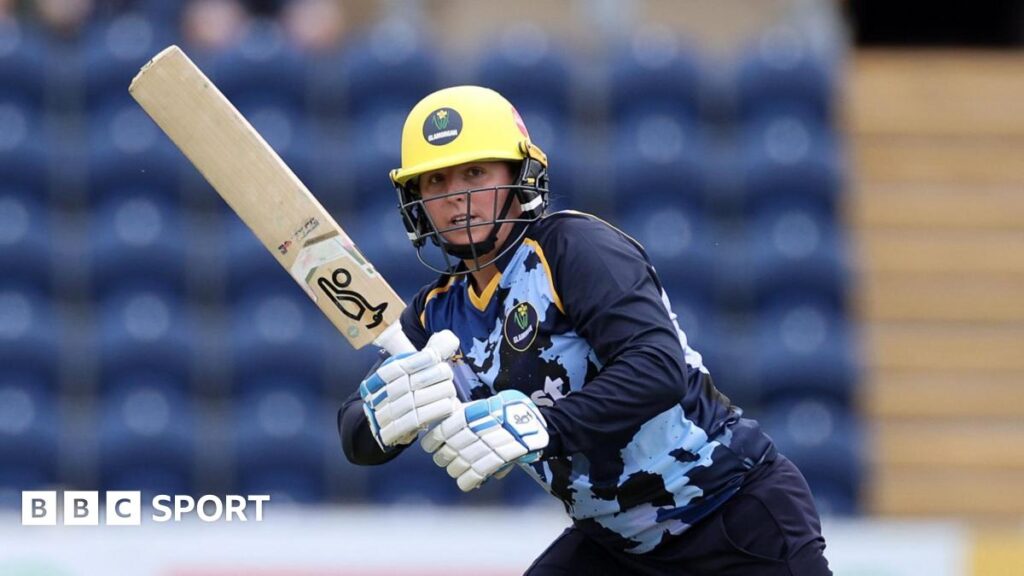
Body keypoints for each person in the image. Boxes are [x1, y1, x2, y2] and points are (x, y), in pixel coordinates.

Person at [338, 85, 832, 575]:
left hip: (733, 517)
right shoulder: (436, 312)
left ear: (518, 175)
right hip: (617, 545)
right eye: (436, 181)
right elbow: (353, 428)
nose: (457, 197)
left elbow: (658, 369)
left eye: (474, 173)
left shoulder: (573, 248)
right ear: (416, 200)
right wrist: (381, 419)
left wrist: (542, 425)